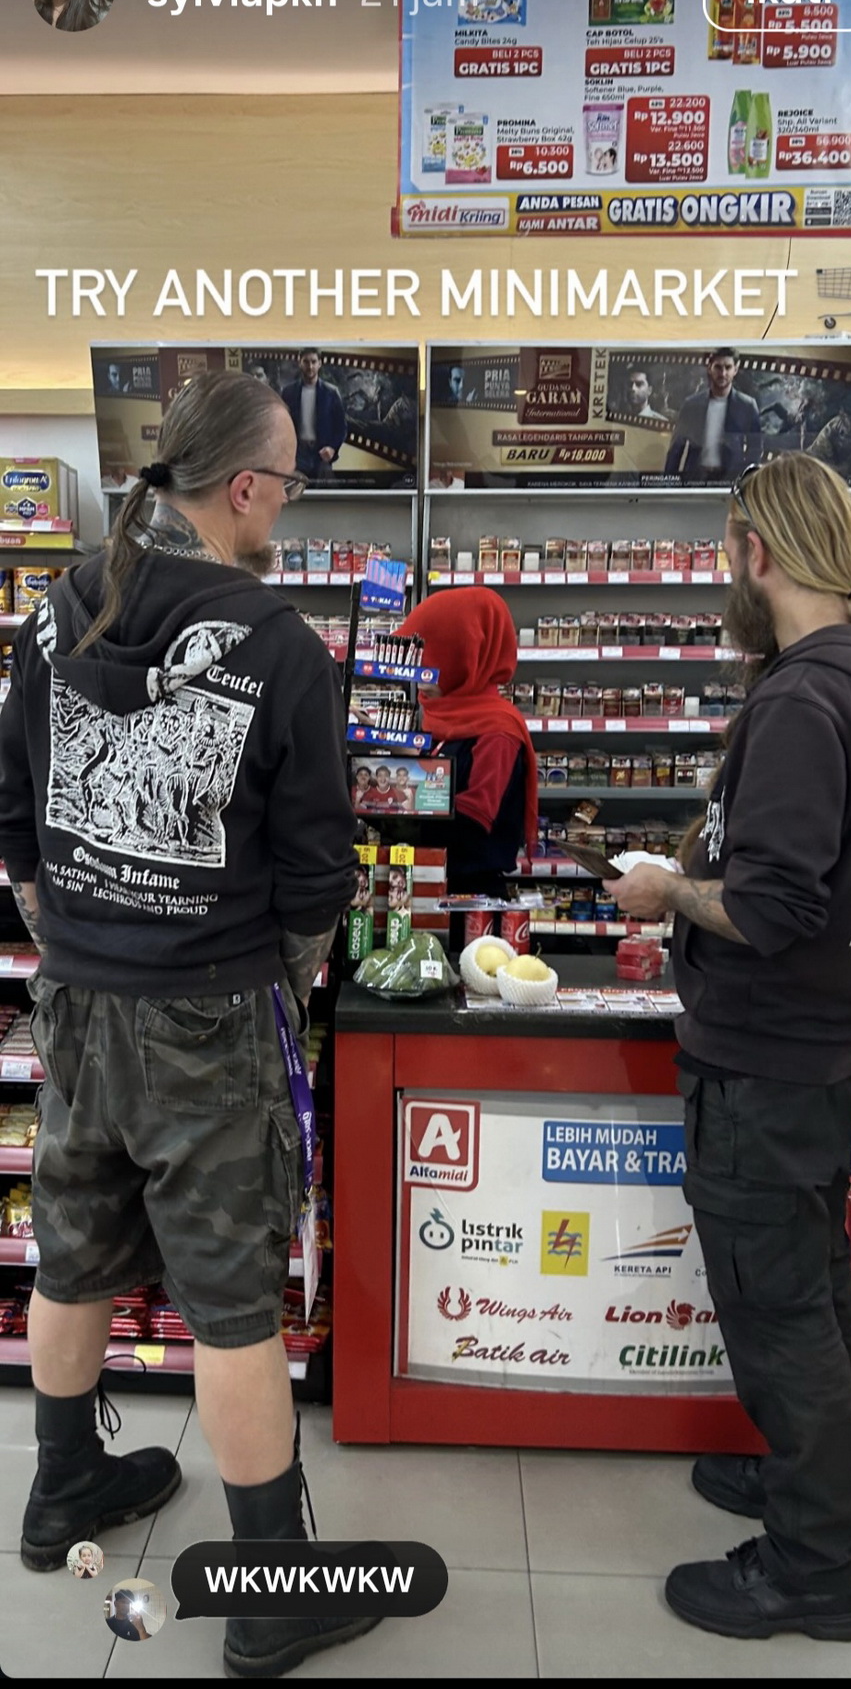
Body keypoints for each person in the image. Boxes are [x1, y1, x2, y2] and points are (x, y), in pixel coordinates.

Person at [0, 371, 378, 1678]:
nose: (288, 504)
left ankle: (61, 1491)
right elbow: (319, 868)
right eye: (289, 483)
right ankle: (274, 1590)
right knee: (231, 1310)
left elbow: (14, 809)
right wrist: (278, 973)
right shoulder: (275, 643)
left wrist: (69, 936)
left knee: (72, 1251)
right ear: (249, 486)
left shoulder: (57, 607)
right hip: (210, 1010)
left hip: (79, 1000)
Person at [603, 452, 851, 1644]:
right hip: (813, 1047)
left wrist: (665, 889)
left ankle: (812, 1568)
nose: (722, 574)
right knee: (806, 1290)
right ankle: (804, 1482)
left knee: (778, 1311)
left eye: (724, 551)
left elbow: (767, 906)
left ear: (757, 552)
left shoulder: (802, 697)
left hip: (764, 1059)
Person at [397, 589, 538, 903]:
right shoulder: (440, 715)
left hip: (470, 900)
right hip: (428, 883)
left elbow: (471, 827)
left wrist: (394, 800)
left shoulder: (498, 732)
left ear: (463, 655)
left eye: (428, 657)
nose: (416, 671)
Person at [664, 349, 762, 483]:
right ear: (710, 368)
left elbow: (755, 447)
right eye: (718, 367)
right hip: (695, 478)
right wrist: (667, 483)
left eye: (728, 367)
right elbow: (677, 447)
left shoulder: (747, 405)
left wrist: (746, 478)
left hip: (731, 479)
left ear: (736, 370)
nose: (723, 373)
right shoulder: (691, 405)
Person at [280, 350, 346, 482]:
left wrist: (332, 448)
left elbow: (341, 427)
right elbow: (281, 425)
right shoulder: (288, 392)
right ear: (300, 363)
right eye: (306, 362)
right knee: (296, 496)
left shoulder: (331, 393)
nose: (310, 366)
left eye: (313, 362)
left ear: (319, 364)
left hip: (321, 455)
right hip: (297, 455)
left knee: (323, 498)